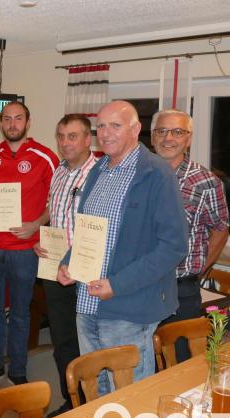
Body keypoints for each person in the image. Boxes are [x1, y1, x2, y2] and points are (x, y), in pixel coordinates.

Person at [57, 101, 188, 395]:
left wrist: (117, 284)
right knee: (94, 388)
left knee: (128, 396)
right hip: (87, 303)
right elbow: (87, 229)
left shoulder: (156, 173)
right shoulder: (97, 170)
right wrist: (69, 261)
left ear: (136, 129)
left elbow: (174, 246)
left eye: (115, 125)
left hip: (129, 308)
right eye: (100, 126)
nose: (105, 133)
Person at [0, 101, 59, 390]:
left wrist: (36, 225)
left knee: (22, 312)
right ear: (1, 123)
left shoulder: (45, 157)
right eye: (7, 119)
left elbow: (56, 203)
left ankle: (18, 369)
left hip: (24, 249)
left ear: (28, 122)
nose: (12, 124)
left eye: (18, 118)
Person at [152, 109, 229, 362]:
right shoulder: (139, 177)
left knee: (179, 363)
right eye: (161, 131)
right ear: (152, 137)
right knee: (142, 360)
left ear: (188, 139)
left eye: (177, 131)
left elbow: (220, 229)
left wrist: (199, 269)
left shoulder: (206, 182)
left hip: (180, 292)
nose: (168, 138)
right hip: (141, 287)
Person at [34, 114, 98, 417]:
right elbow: (55, 214)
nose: (65, 142)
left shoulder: (100, 173)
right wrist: (42, 239)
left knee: (88, 343)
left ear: (88, 139)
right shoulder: (59, 172)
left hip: (86, 274)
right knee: (62, 341)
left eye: (73, 136)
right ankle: (70, 400)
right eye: (61, 136)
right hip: (54, 270)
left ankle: (91, 405)